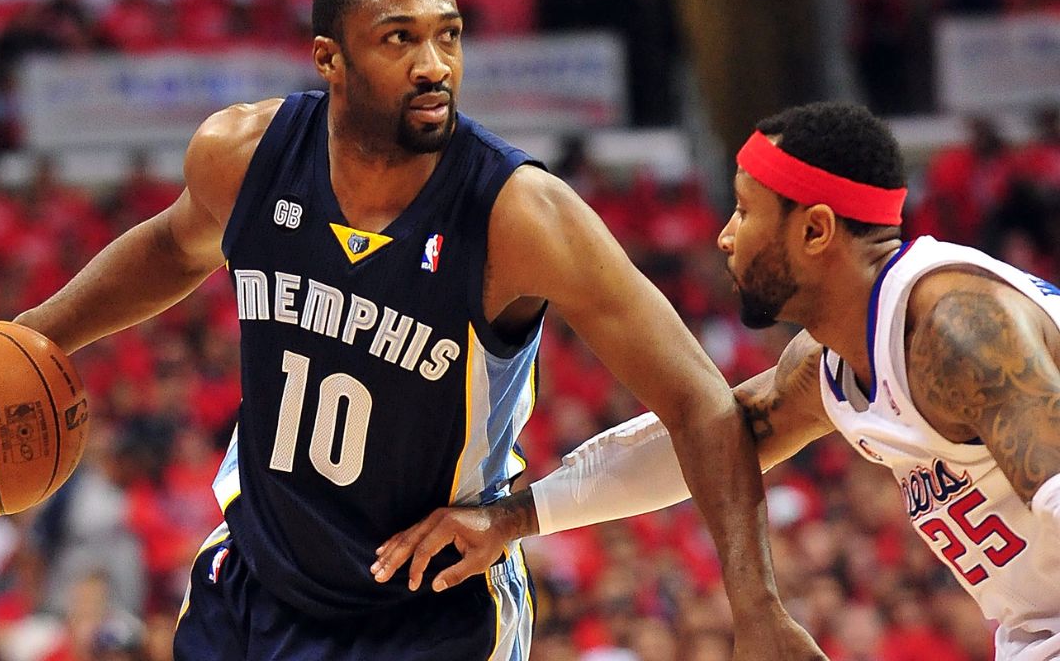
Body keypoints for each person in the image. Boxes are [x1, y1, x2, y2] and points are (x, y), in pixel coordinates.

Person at [0, 0, 822, 660]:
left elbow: (703, 403)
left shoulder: (520, 215)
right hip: (256, 590)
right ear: (329, 60)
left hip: (428, 612)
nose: (434, 64)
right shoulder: (245, 153)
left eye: (450, 35)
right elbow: (172, 244)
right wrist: (34, 336)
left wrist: (757, 608)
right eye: (400, 39)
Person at [373, 102, 1060, 660]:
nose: (726, 236)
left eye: (743, 209)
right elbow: (706, 440)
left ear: (815, 231)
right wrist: (512, 518)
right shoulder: (828, 363)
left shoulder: (958, 331)